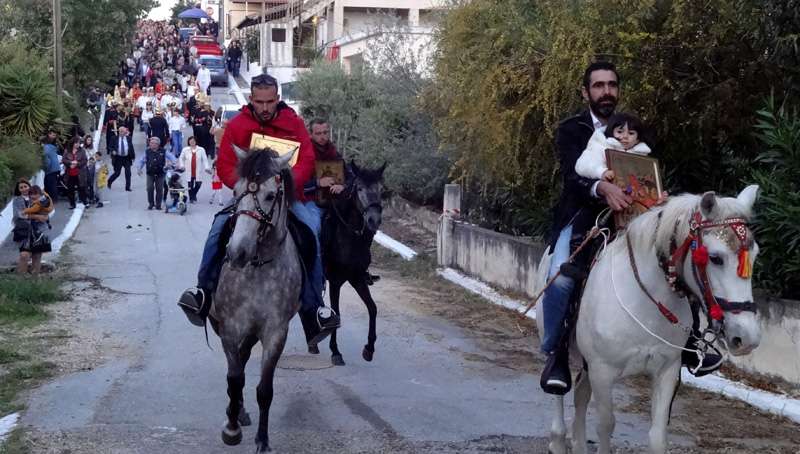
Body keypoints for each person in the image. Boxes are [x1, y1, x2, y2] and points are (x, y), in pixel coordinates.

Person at [540, 62, 720, 394]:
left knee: (678, 258)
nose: (606, 91)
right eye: (598, 86)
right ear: (586, 92)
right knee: (562, 278)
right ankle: (557, 355)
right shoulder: (571, 129)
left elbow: (647, 173)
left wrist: (657, 196)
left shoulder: (634, 126)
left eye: (611, 85)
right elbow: (571, 176)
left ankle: (692, 343)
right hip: (582, 216)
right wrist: (601, 189)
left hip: (637, 216)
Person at [177, 74, 340, 349]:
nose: (265, 107)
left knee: (311, 231)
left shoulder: (294, 123)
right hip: (250, 197)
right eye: (260, 102)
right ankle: (203, 291)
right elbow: (226, 165)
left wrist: (286, 185)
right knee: (218, 228)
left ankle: (314, 310)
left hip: (287, 198)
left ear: (277, 99)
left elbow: (307, 160)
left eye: (270, 101)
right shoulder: (239, 125)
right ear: (251, 99)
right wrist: (245, 186)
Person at [575, 112, 652, 181]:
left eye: (631, 133)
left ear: (637, 140)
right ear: (611, 131)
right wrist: (601, 172)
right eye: (619, 132)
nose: (625, 136)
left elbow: (646, 180)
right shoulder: (601, 146)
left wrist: (656, 193)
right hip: (604, 194)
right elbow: (582, 165)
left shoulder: (641, 155)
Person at [12, 179, 50, 274]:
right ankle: (21, 282)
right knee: (24, 255)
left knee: (37, 256)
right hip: (24, 231)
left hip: (39, 230)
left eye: (25, 186)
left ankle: (34, 281)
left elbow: (46, 212)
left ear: (29, 186)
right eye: (21, 187)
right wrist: (36, 216)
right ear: (19, 190)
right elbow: (19, 214)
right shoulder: (16, 201)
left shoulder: (39, 197)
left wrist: (43, 216)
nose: (24, 189)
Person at [136, 136, 176, 210]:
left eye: (153, 143)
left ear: (157, 144)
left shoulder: (163, 151)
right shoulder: (147, 151)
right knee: (149, 188)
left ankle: (158, 205)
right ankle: (151, 203)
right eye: (150, 143)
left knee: (159, 189)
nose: (151, 144)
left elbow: (172, 157)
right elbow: (142, 161)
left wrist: (174, 164)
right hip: (150, 173)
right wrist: (139, 168)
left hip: (160, 173)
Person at [178, 136, 210, 203]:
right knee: (190, 185)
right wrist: (182, 165)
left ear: (196, 142)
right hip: (189, 170)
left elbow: (205, 160)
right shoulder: (185, 149)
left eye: (193, 141)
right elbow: (181, 158)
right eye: (190, 141)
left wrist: (207, 167)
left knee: (198, 184)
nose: (192, 142)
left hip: (197, 170)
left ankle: (194, 194)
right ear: (188, 142)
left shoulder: (201, 149)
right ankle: (191, 198)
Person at [62, 138, 89, 209]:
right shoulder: (67, 150)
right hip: (70, 173)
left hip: (79, 173)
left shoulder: (82, 151)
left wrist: (77, 163)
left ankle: (85, 202)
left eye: (79, 143)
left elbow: (85, 160)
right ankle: (72, 204)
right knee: (70, 190)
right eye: (76, 143)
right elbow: (64, 160)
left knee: (82, 189)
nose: (78, 144)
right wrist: (70, 163)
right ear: (72, 143)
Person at [107, 126, 135, 191]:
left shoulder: (128, 138)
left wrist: (133, 157)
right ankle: (109, 181)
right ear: (119, 132)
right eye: (121, 132)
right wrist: (112, 151)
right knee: (117, 173)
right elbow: (110, 146)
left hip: (127, 158)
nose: (123, 133)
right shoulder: (114, 138)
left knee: (128, 173)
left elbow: (131, 147)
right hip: (118, 158)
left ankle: (127, 187)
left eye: (124, 132)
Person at [42, 134, 61, 203]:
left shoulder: (45, 148)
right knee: (53, 184)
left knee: (50, 185)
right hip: (56, 167)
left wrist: (46, 168)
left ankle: (52, 200)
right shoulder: (53, 147)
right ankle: (54, 199)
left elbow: (47, 160)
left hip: (51, 169)